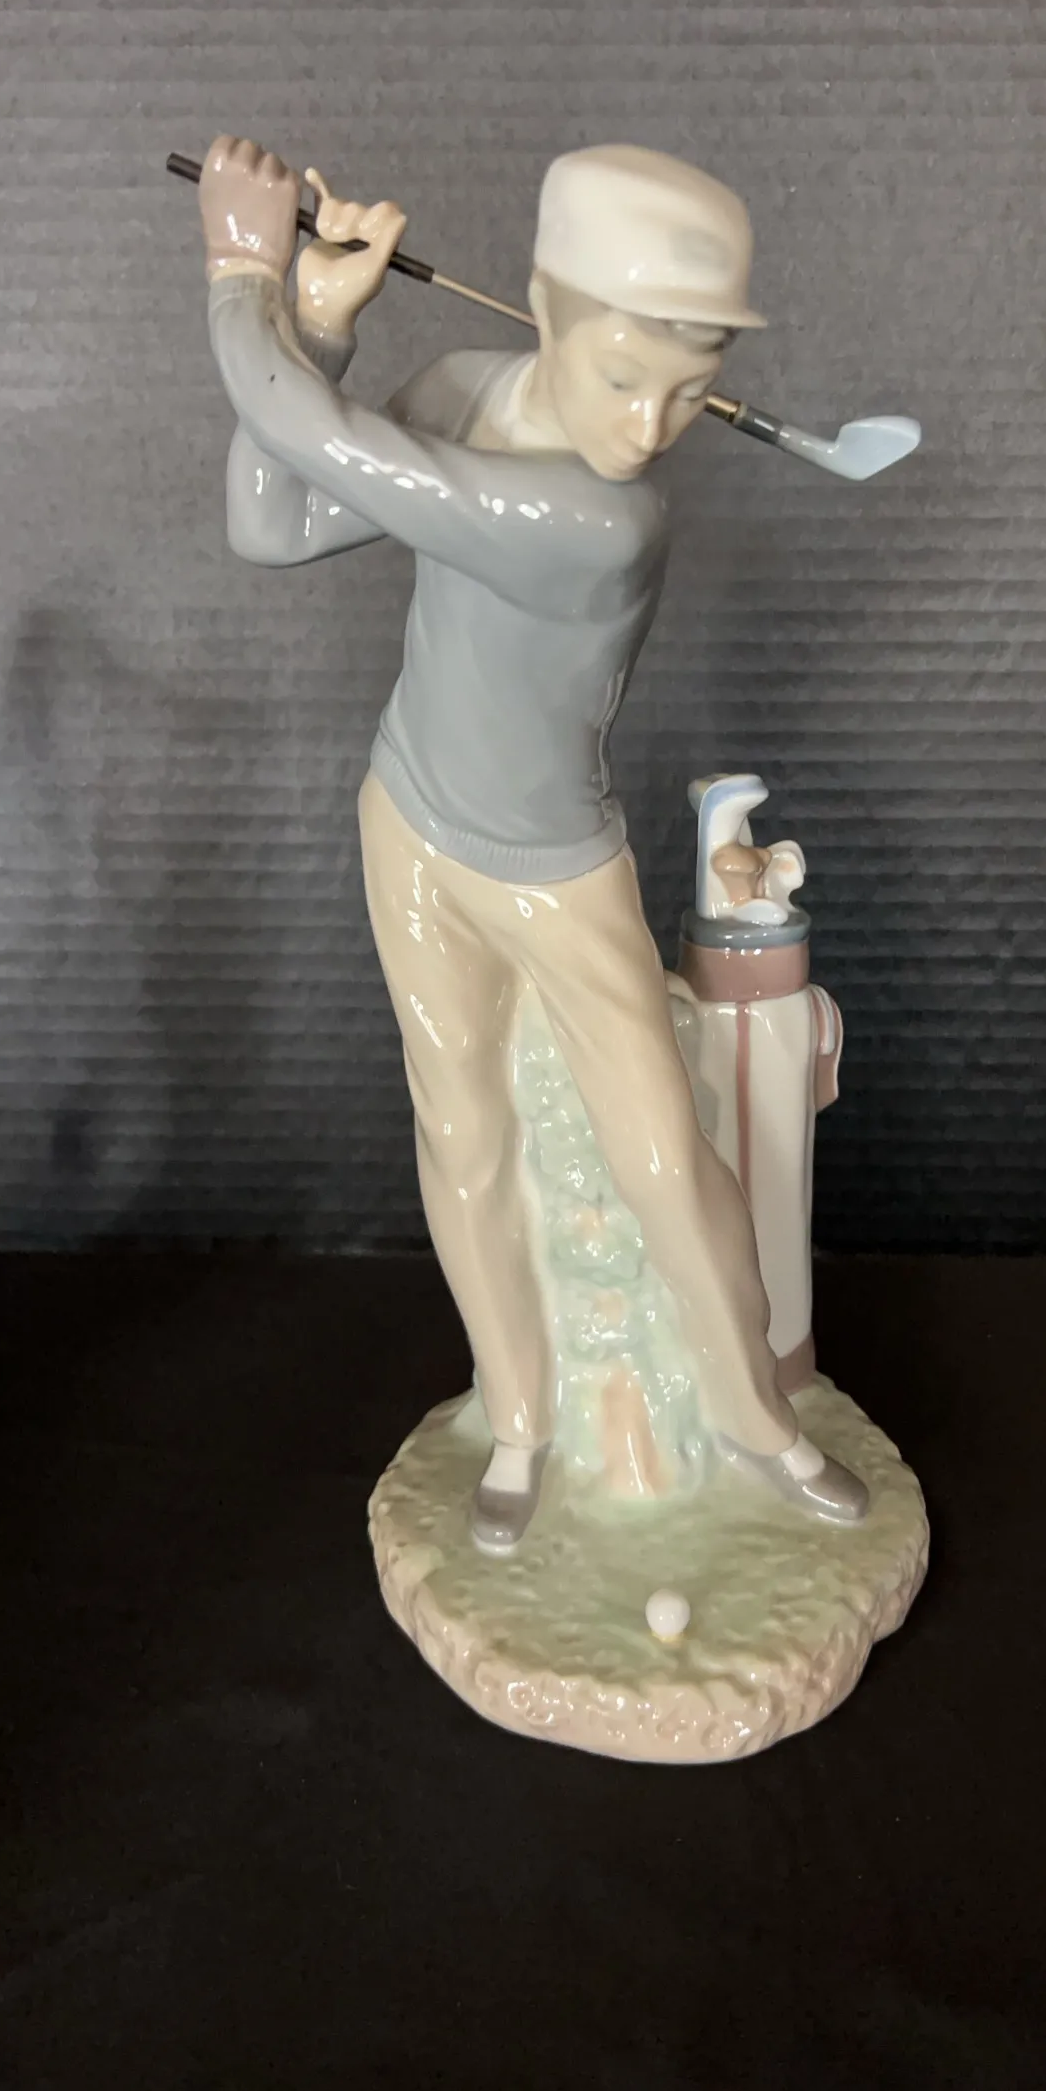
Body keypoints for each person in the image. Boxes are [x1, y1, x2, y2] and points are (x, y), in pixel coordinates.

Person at [198, 134, 869, 1549]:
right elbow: (272, 519)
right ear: (545, 307)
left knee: (663, 1156)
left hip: (560, 876)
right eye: (624, 374)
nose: (650, 424)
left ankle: (754, 1421)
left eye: (687, 390)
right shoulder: (459, 391)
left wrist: (245, 273)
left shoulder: (598, 519)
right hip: (411, 828)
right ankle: (519, 1419)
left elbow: (314, 436)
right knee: (462, 1131)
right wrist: (318, 320)